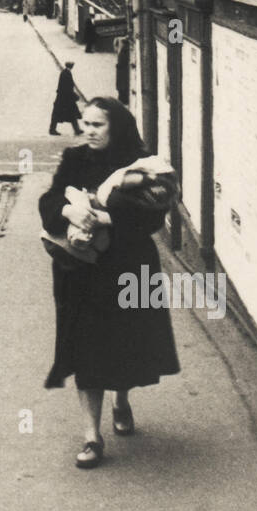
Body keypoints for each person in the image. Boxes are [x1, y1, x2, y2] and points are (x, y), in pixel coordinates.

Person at [38, 98, 180, 468]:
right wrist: (67, 209)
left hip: (130, 265)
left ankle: (122, 399)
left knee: (125, 344)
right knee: (86, 348)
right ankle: (92, 436)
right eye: (85, 123)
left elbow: (153, 216)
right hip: (81, 268)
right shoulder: (75, 159)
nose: (88, 130)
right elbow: (50, 199)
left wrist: (105, 219)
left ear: (115, 126)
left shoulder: (142, 163)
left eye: (97, 125)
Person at [49, 62, 82, 136]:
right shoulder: (66, 74)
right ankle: (52, 130)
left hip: (64, 98)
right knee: (61, 114)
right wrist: (74, 96)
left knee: (69, 114)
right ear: (71, 66)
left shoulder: (65, 72)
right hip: (64, 98)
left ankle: (77, 130)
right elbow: (67, 88)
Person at [115, 37, 130, 106]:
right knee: (122, 86)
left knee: (122, 85)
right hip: (122, 70)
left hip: (122, 71)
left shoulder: (122, 51)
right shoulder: (124, 51)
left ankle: (122, 98)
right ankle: (123, 98)